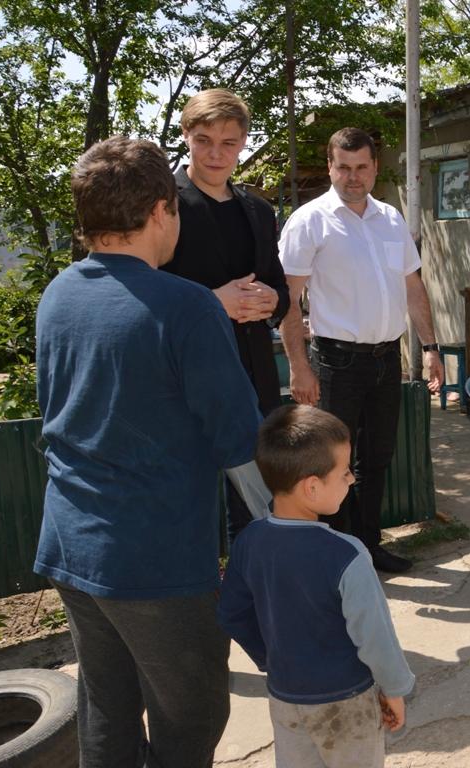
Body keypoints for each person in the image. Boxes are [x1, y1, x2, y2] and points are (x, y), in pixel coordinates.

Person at [33, 137, 263, 767]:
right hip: (155, 560)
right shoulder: (185, 306)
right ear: (162, 209)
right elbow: (239, 441)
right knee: (191, 716)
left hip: (71, 545)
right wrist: (283, 533)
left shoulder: (58, 296)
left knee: (106, 706)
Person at [279, 127, 443, 574]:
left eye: (362, 167)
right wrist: (298, 365)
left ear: (375, 167)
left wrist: (430, 346)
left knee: (377, 459)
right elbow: (287, 299)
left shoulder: (391, 219)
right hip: (336, 363)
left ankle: (368, 547)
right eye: (344, 167)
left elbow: (413, 286)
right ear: (331, 166)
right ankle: (336, 557)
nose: (353, 177)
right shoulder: (309, 221)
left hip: (386, 359)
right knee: (331, 463)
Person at [218, 405, 415, 767]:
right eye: (345, 473)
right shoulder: (348, 555)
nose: (352, 480)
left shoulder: (248, 541)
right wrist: (396, 689)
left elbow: (232, 612)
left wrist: (271, 659)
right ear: (311, 486)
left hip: (285, 696)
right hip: (347, 701)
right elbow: (375, 636)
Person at [163, 88, 289, 538]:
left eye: (229, 142)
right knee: (188, 500)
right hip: (186, 378)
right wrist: (213, 300)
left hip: (254, 375)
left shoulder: (257, 208)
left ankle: (249, 594)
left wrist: (274, 302)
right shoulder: (163, 207)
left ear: (244, 143)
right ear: (186, 137)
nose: (216, 153)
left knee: (256, 502)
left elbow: (278, 284)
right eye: (204, 140)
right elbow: (143, 292)